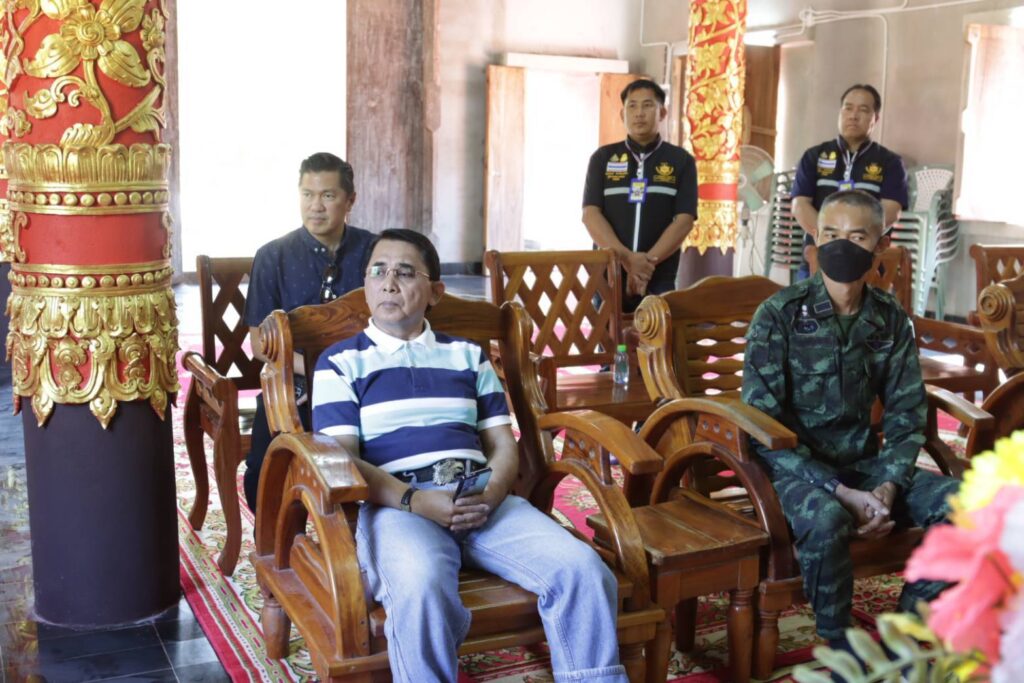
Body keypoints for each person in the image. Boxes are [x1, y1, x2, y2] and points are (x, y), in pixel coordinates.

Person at [311, 229, 628, 683]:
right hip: (399, 507)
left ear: (435, 292)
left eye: (405, 272)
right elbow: (343, 459)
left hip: (482, 498)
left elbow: (502, 443)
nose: (389, 283)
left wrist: (491, 494)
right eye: (378, 271)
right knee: (420, 586)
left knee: (583, 570)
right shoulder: (341, 362)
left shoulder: (467, 356)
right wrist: (415, 501)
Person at [741, 190, 957, 655]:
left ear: (880, 246)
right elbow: (762, 428)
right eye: (830, 234)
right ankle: (839, 644)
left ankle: (904, 633)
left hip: (864, 464)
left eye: (857, 236)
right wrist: (840, 491)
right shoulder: (779, 316)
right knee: (827, 519)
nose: (841, 244)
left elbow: (907, 413)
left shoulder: (889, 318)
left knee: (969, 506)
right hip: (795, 470)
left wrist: (888, 486)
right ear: (815, 241)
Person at [242, 152, 374, 512]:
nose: (316, 206)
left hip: (364, 378)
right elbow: (260, 344)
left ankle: (368, 526)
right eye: (307, 195)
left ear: (350, 200)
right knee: (262, 475)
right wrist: (320, 372)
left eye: (328, 196)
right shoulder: (273, 256)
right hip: (295, 382)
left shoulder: (374, 251)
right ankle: (279, 537)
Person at [582, 78, 698, 312]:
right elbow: (590, 215)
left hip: (658, 276)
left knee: (656, 335)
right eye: (632, 106)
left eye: (647, 105)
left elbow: (684, 220)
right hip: (608, 274)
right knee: (609, 335)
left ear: (662, 112)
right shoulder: (602, 158)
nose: (639, 113)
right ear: (622, 114)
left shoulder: (681, 161)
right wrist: (626, 259)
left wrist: (646, 265)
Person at [791, 84, 908, 279]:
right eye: (848, 108)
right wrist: (831, 241)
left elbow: (891, 211)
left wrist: (854, 243)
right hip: (817, 261)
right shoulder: (813, 156)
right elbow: (800, 206)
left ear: (875, 118)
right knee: (809, 298)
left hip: (867, 265)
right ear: (840, 113)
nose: (853, 116)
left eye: (863, 110)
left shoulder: (890, 162)